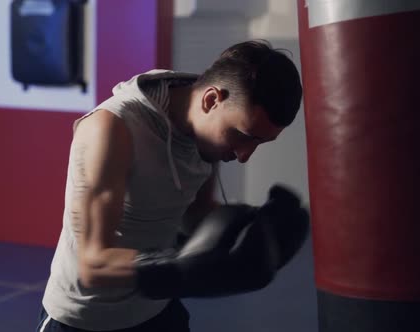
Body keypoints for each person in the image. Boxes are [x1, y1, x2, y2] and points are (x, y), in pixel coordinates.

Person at [37, 40, 308, 332]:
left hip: (156, 311)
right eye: (242, 135)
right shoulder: (113, 130)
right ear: (210, 100)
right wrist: (178, 266)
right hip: (84, 319)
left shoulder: (204, 130)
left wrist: (250, 235)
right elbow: (92, 265)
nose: (244, 155)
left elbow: (197, 215)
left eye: (259, 142)